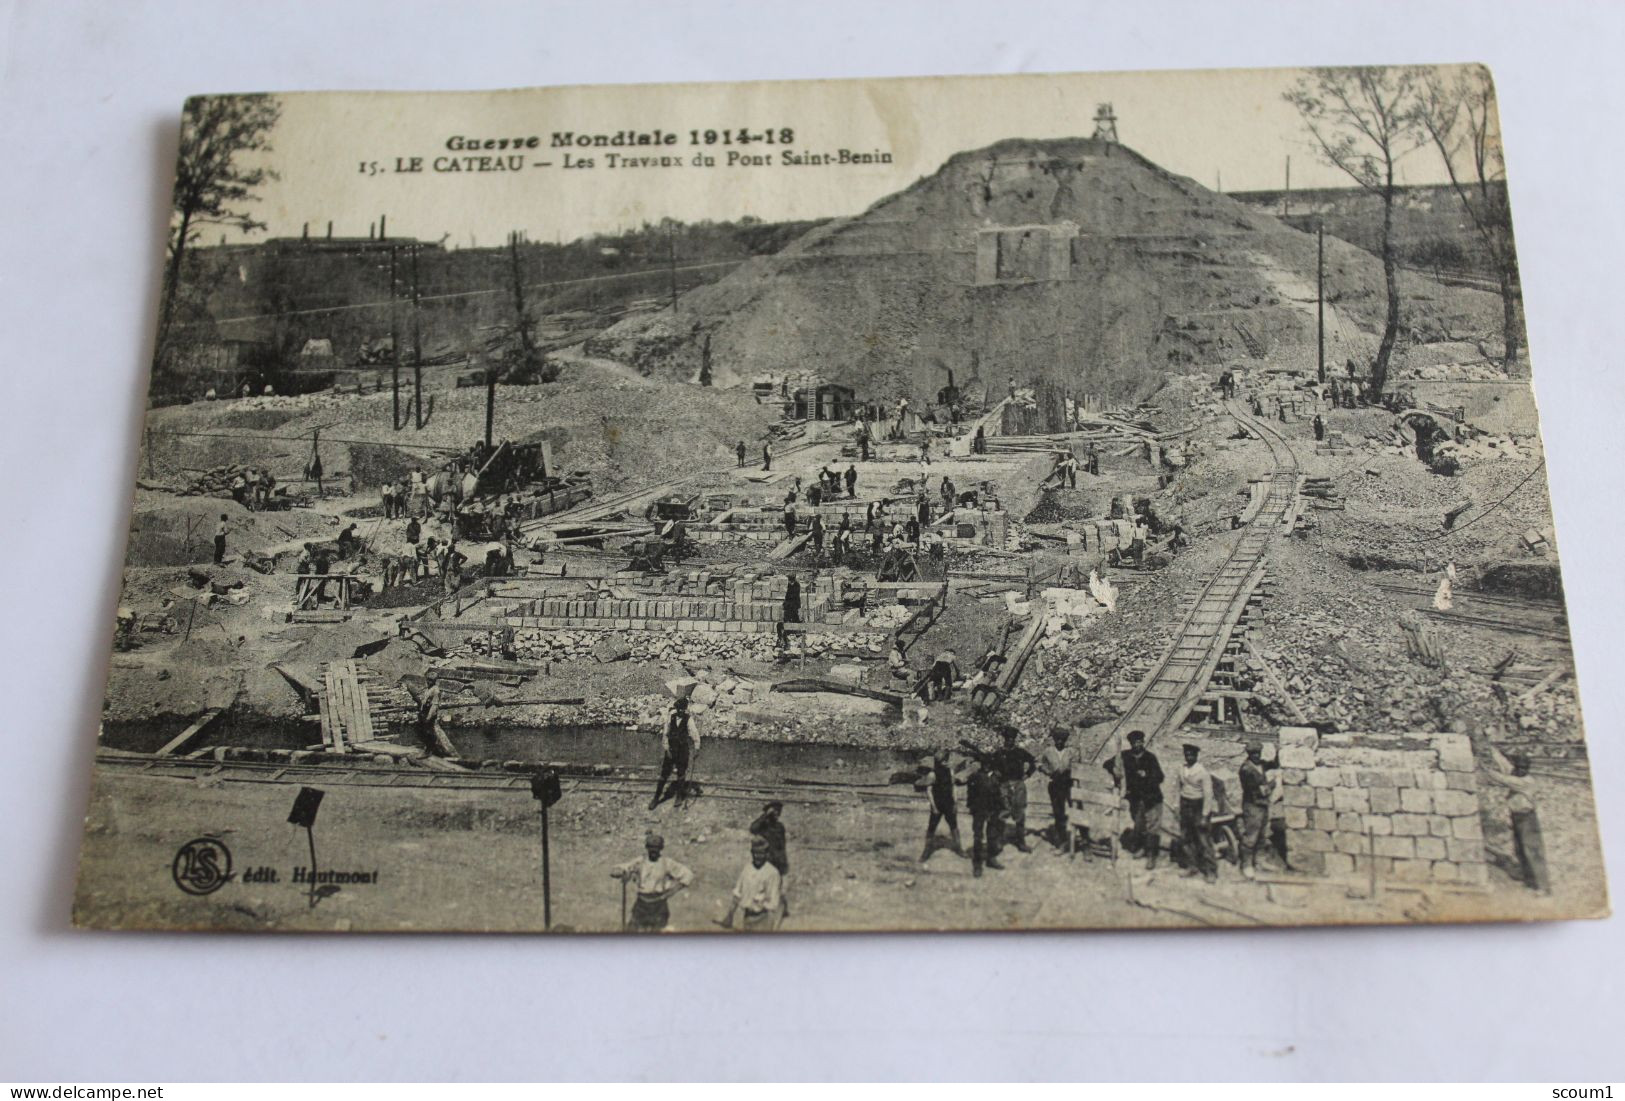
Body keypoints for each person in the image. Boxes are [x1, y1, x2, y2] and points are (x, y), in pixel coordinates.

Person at [1486, 750, 1551, 894]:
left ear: (1528, 769)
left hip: (1527, 818)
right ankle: (1529, 880)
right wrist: (1492, 750)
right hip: (1517, 817)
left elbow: (1503, 779)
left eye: (1524, 768)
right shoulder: (1515, 772)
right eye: (1519, 767)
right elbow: (1503, 764)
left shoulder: (1525, 781)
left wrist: (1484, 769)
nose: (1521, 770)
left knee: (1532, 850)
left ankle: (1543, 887)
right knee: (1520, 849)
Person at [1104, 729, 1165, 867]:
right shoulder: (1125, 756)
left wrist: (1147, 775)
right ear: (1130, 743)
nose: (1136, 745)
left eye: (1139, 742)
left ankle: (1151, 856)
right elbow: (1107, 763)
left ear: (1143, 742)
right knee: (1139, 825)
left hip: (1152, 798)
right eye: (1133, 742)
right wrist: (1114, 770)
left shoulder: (1150, 758)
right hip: (1136, 799)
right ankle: (1143, 848)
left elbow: (1160, 777)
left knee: (1152, 828)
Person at [612, 833, 693, 933]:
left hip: (659, 905)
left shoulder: (667, 863)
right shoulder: (641, 861)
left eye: (657, 848)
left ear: (661, 848)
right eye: (651, 847)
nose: (654, 851)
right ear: (646, 847)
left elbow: (687, 874)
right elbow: (624, 867)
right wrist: (619, 872)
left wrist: (672, 891)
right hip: (641, 905)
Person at [1175, 743, 1219, 883]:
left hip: (1198, 806)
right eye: (1187, 754)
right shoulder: (1182, 769)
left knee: (1203, 839)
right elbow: (1178, 787)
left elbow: (1208, 795)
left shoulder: (1202, 773)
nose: (1189, 757)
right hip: (1185, 804)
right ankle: (1191, 865)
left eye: (1191, 755)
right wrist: (1177, 805)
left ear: (1196, 756)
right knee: (1186, 837)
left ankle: (1210, 870)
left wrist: (1205, 815)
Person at [1237, 740, 1279, 879]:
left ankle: (1260, 861)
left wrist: (1279, 752)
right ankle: (1247, 865)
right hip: (1253, 806)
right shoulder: (1247, 770)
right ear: (1249, 754)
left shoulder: (1260, 764)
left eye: (1258, 753)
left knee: (1262, 835)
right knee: (1251, 837)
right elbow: (1262, 791)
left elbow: (1273, 764)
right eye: (1253, 754)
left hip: (1262, 805)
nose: (1256, 756)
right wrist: (1273, 784)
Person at [650, 695, 700, 809]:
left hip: (683, 750)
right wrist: (666, 749)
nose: (681, 711)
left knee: (681, 774)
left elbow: (694, 733)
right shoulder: (671, 717)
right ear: (676, 709)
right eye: (679, 709)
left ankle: (679, 797)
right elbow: (665, 734)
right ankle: (656, 798)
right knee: (664, 775)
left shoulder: (689, 719)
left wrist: (697, 748)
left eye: (683, 709)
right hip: (671, 750)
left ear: (685, 709)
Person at [992, 725, 1037, 852]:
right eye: (1008, 738)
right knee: (1002, 812)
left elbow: (1033, 762)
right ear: (1004, 739)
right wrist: (996, 773)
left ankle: (1021, 842)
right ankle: (999, 841)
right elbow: (991, 766)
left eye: (1012, 738)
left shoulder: (1020, 752)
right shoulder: (999, 753)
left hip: (1018, 785)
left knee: (1020, 813)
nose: (1010, 740)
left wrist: (1027, 775)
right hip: (1004, 785)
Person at [721, 837, 782, 931]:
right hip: (747, 918)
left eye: (761, 853)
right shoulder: (747, 869)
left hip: (764, 919)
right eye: (755, 853)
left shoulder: (772, 873)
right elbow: (737, 893)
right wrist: (730, 915)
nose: (758, 856)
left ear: (767, 854)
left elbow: (773, 903)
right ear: (751, 853)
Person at [919, 750, 965, 861]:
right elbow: (929, 791)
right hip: (938, 804)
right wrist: (933, 807)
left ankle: (959, 849)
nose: (946, 762)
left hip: (949, 803)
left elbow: (953, 787)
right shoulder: (932, 774)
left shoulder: (950, 772)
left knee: (954, 827)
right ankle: (926, 851)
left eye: (946, 759)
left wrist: (955, 802)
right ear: (938, 761)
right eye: (943, 760)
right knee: (932, 828)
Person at [749, 800, 791, 921]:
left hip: (776, 860)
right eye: (774, 812)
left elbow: (782, 846)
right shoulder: (763, 826)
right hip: (767, 859)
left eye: (778, 812)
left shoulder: (779, 827)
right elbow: (753, 828)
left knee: (777, 886)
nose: (776, 815)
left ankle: (783, 909)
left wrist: (783, 862)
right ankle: (767, 908)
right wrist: (765, 816)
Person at [1038, 726, 1079, 849]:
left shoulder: (1071, 752)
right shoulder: (1048, 751)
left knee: (1078, 809)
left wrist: (1069, 770)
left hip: (1069, 784)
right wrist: (1048, 771)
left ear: (1065, 740)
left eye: (1062, 740)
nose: (1060, 742)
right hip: (1055, 785)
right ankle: (1062, 840)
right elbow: (1040, 763)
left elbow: (1078, 765)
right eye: (1057, 739)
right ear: (1054, 740)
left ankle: (1084, 839)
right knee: (1058, 812)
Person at [964, 758, 1005, 877]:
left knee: (992, 836)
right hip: (979, 810)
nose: (986, 766)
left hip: (993, 811)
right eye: (984, 764)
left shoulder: (997, 777)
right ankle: (977, 864)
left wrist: (998, 809)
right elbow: (970, 794)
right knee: (978, 836)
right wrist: (972, 808)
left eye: (989, 764)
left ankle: (991, 859)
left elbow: (1000, 794)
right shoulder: (975, 777)